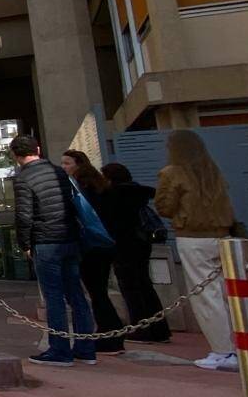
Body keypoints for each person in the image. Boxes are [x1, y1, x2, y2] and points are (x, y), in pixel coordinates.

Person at [154, 130, 239, 371]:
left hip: (193, 236)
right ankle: (237, 345)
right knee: (226, 293)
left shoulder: (173, 172)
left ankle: (222, 351)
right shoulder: (212, 171)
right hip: (222, 235)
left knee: (205, 296)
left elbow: (165, 206)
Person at [10, 135, 96, 367]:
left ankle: (59, 350)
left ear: (15, 156)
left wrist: (25, 244)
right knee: (76, 294)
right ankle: (86, 348)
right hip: (69, 237)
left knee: (54, 297)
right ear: (38, 149)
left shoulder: (23, 178)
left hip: (46, 241)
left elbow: (24, 215)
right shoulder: (59, 172)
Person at [59, 149, 127, 354]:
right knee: (99, 291)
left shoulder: (79, 188)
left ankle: (110, 334)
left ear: (79, 164)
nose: (64, 168)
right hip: (105, 243)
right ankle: (111, 331)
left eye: (67, 163)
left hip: (89, 244)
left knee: (96, 292)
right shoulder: (102, 185)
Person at [99, 162, 171, 343]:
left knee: (131, 288)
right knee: (145, 285)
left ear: (109, 178)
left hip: (123, 245)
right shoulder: (138, 193)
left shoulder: (113, 195)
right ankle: (159, 329)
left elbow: (112, 222)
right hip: (142, 243)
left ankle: (141, 329)